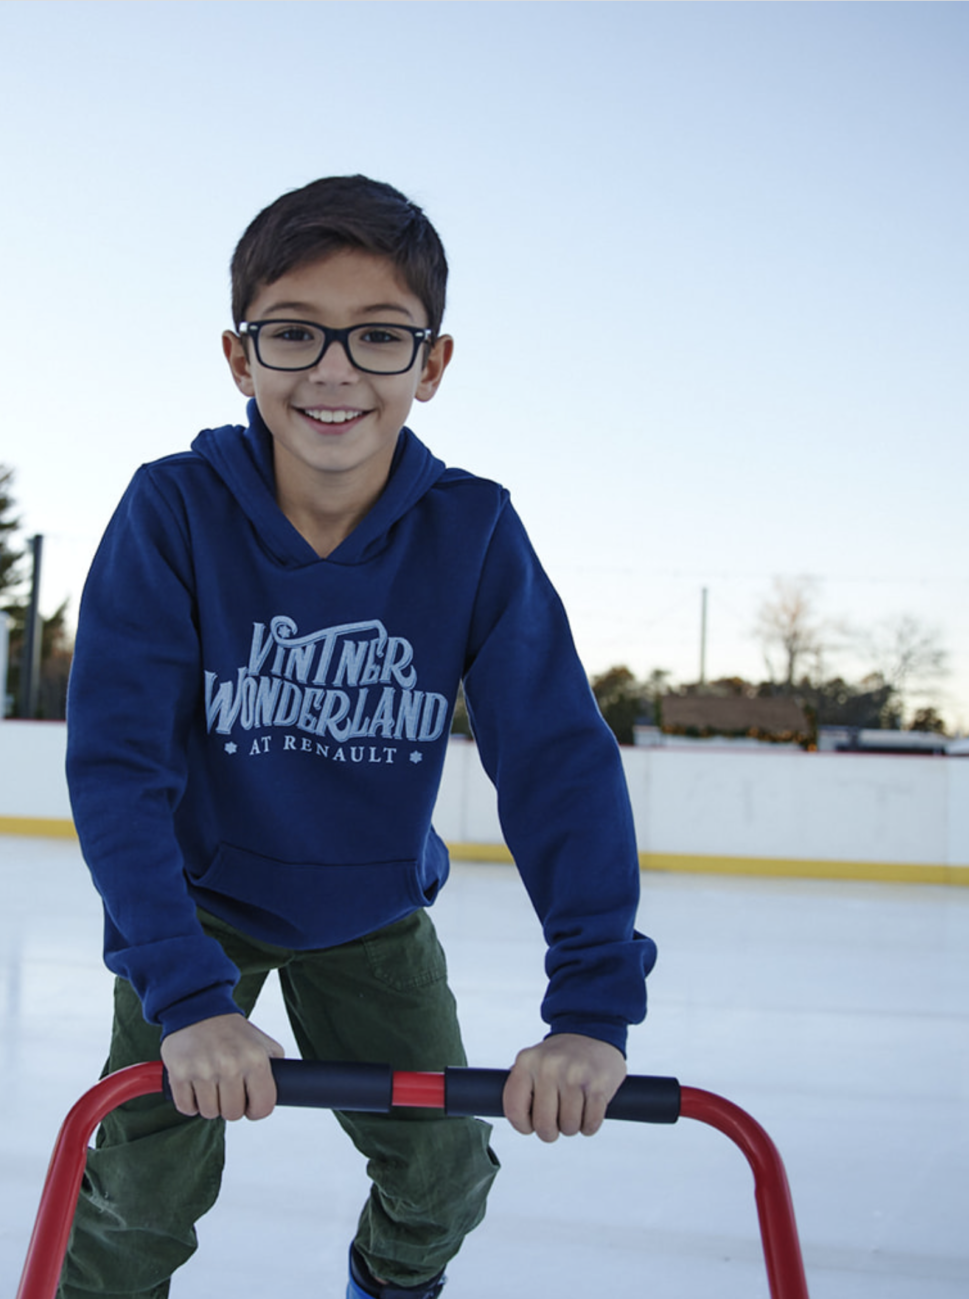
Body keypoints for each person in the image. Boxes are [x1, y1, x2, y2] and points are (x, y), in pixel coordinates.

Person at [60, 175, 658, 1299]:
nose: (333, 370)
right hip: (191, 911)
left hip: (371, 912)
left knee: (440, 1173)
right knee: (141, 1194)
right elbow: (116, 768)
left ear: (430, 365)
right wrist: (186, 1001)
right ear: (239, 357)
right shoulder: (173, 511)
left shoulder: (470, 531)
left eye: (378, 337)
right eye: (293, 333)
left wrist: (590, 1008)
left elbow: (556, 765)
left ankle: (385, 1287)